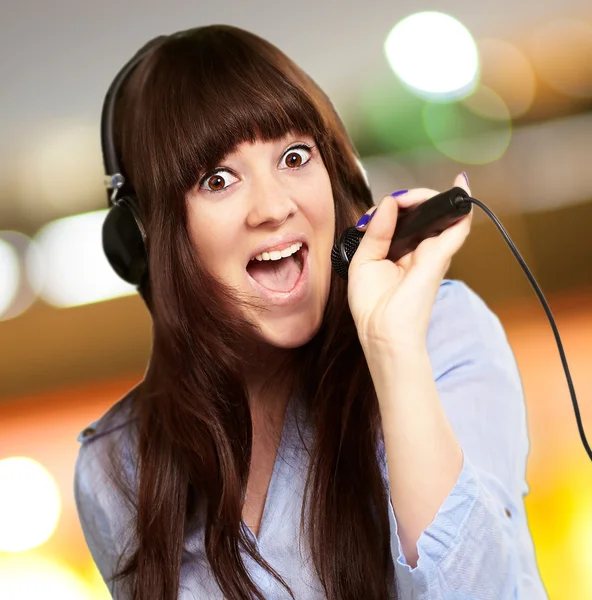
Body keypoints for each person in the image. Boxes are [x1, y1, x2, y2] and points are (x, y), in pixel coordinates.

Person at [74, 24, 548, 600]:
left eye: (295, 156)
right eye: (217, 179)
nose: (274, 207)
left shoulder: (441, 334)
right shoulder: (117, 468)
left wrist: (393, 352)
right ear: (144, 238)